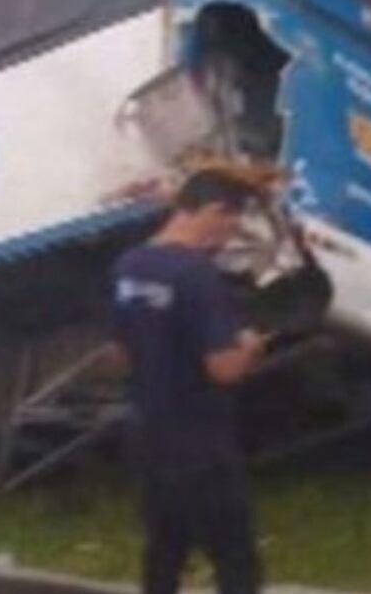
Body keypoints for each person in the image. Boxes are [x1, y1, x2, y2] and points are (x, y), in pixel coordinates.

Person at [110, 169, 269, 594]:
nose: (227, 237)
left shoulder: (129, 266)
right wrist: (252, 346)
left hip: (147, 434)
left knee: (164, 551)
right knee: (235, 559)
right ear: (215, 211)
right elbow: (224, 368)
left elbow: (121, 353)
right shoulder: (196, 275)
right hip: (199, 439)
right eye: (231, 224)